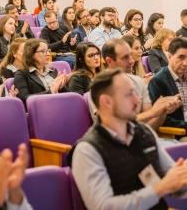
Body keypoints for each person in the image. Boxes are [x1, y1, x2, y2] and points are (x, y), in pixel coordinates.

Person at [68, 68, 187, 210]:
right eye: (129, 95)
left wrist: (181, 178)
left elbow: (176, 185)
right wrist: (160, 188)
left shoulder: (144, 132)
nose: (137, 100)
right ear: (106, 101)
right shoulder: (87, 150)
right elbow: (103, 207)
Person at [89, 38, 181, 132]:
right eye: (125, 57)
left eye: (130, 55)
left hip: (142, 138)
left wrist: (163, 111)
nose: (131, 60)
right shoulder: (100, 87)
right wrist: (153, 113)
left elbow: (149, 127)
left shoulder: (138, 81)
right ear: (109, 61)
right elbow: (114, 125)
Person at [148, 37, 187, 134]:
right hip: (178, 133)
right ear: (169, 57)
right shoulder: (158, 81)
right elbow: (161, 119)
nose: (185, 63)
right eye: (181, 57)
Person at [14, 38, 69, 105]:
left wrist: (61, 87)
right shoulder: (21, 74)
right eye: (43, 51)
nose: (48, 54)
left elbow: (69, 96)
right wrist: (50, 92)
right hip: (40, 112)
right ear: (31, 54)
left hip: (59, 107)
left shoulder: (52, 71)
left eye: (48, 50)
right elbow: (24, 99)